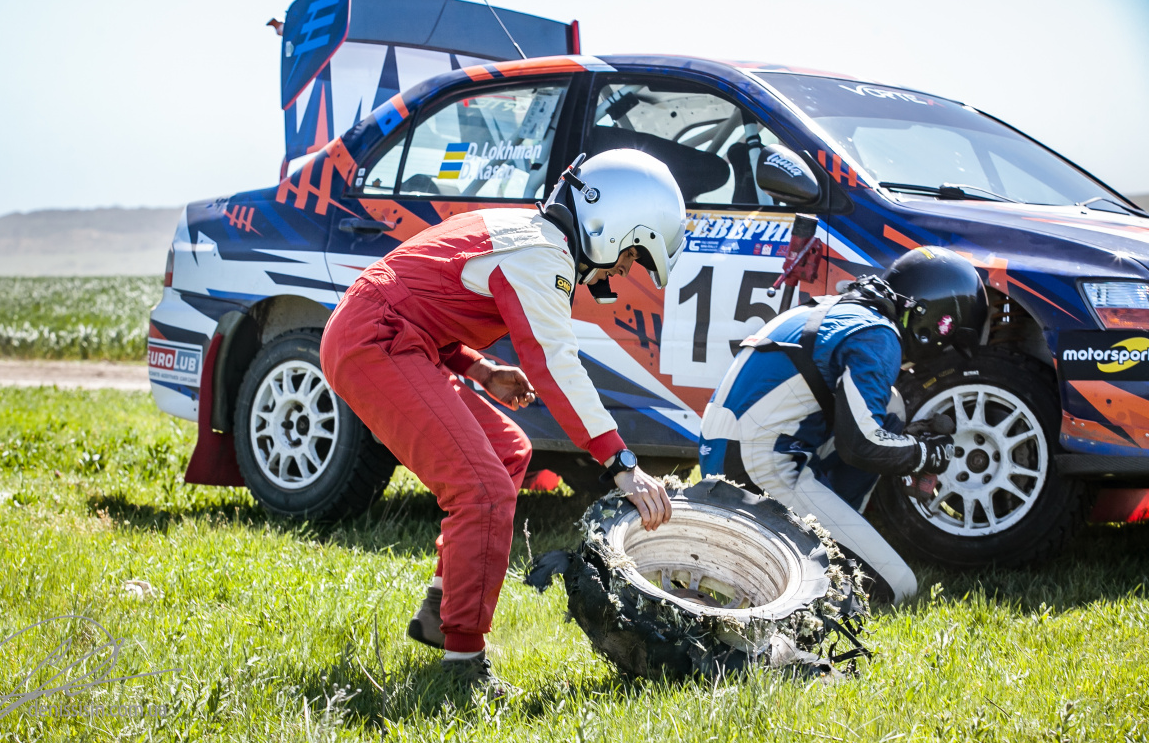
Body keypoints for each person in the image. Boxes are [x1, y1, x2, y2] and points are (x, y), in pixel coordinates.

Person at [320, 148, 686, 693]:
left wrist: (481, 369)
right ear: (612, 226)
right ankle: (463, 665)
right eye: (633, 254)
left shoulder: (526, 232)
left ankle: (440, 609)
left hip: (386, 332)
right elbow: (555, 365)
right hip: (375, 342)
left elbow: (417, 297)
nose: (624, 270)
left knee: (508, 451)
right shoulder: (543, 256)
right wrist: (621, 464)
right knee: (483, 490)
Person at [697, 246, 988, 604]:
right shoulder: (879, 335)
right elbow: (861, 445)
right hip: (758, 467)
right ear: (933, 321)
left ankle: (830, 530)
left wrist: (902, 445)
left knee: (891, 406)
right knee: (899, 588)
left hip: (730, 454)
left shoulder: (839, 309)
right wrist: (924, 453)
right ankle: (821, 561)